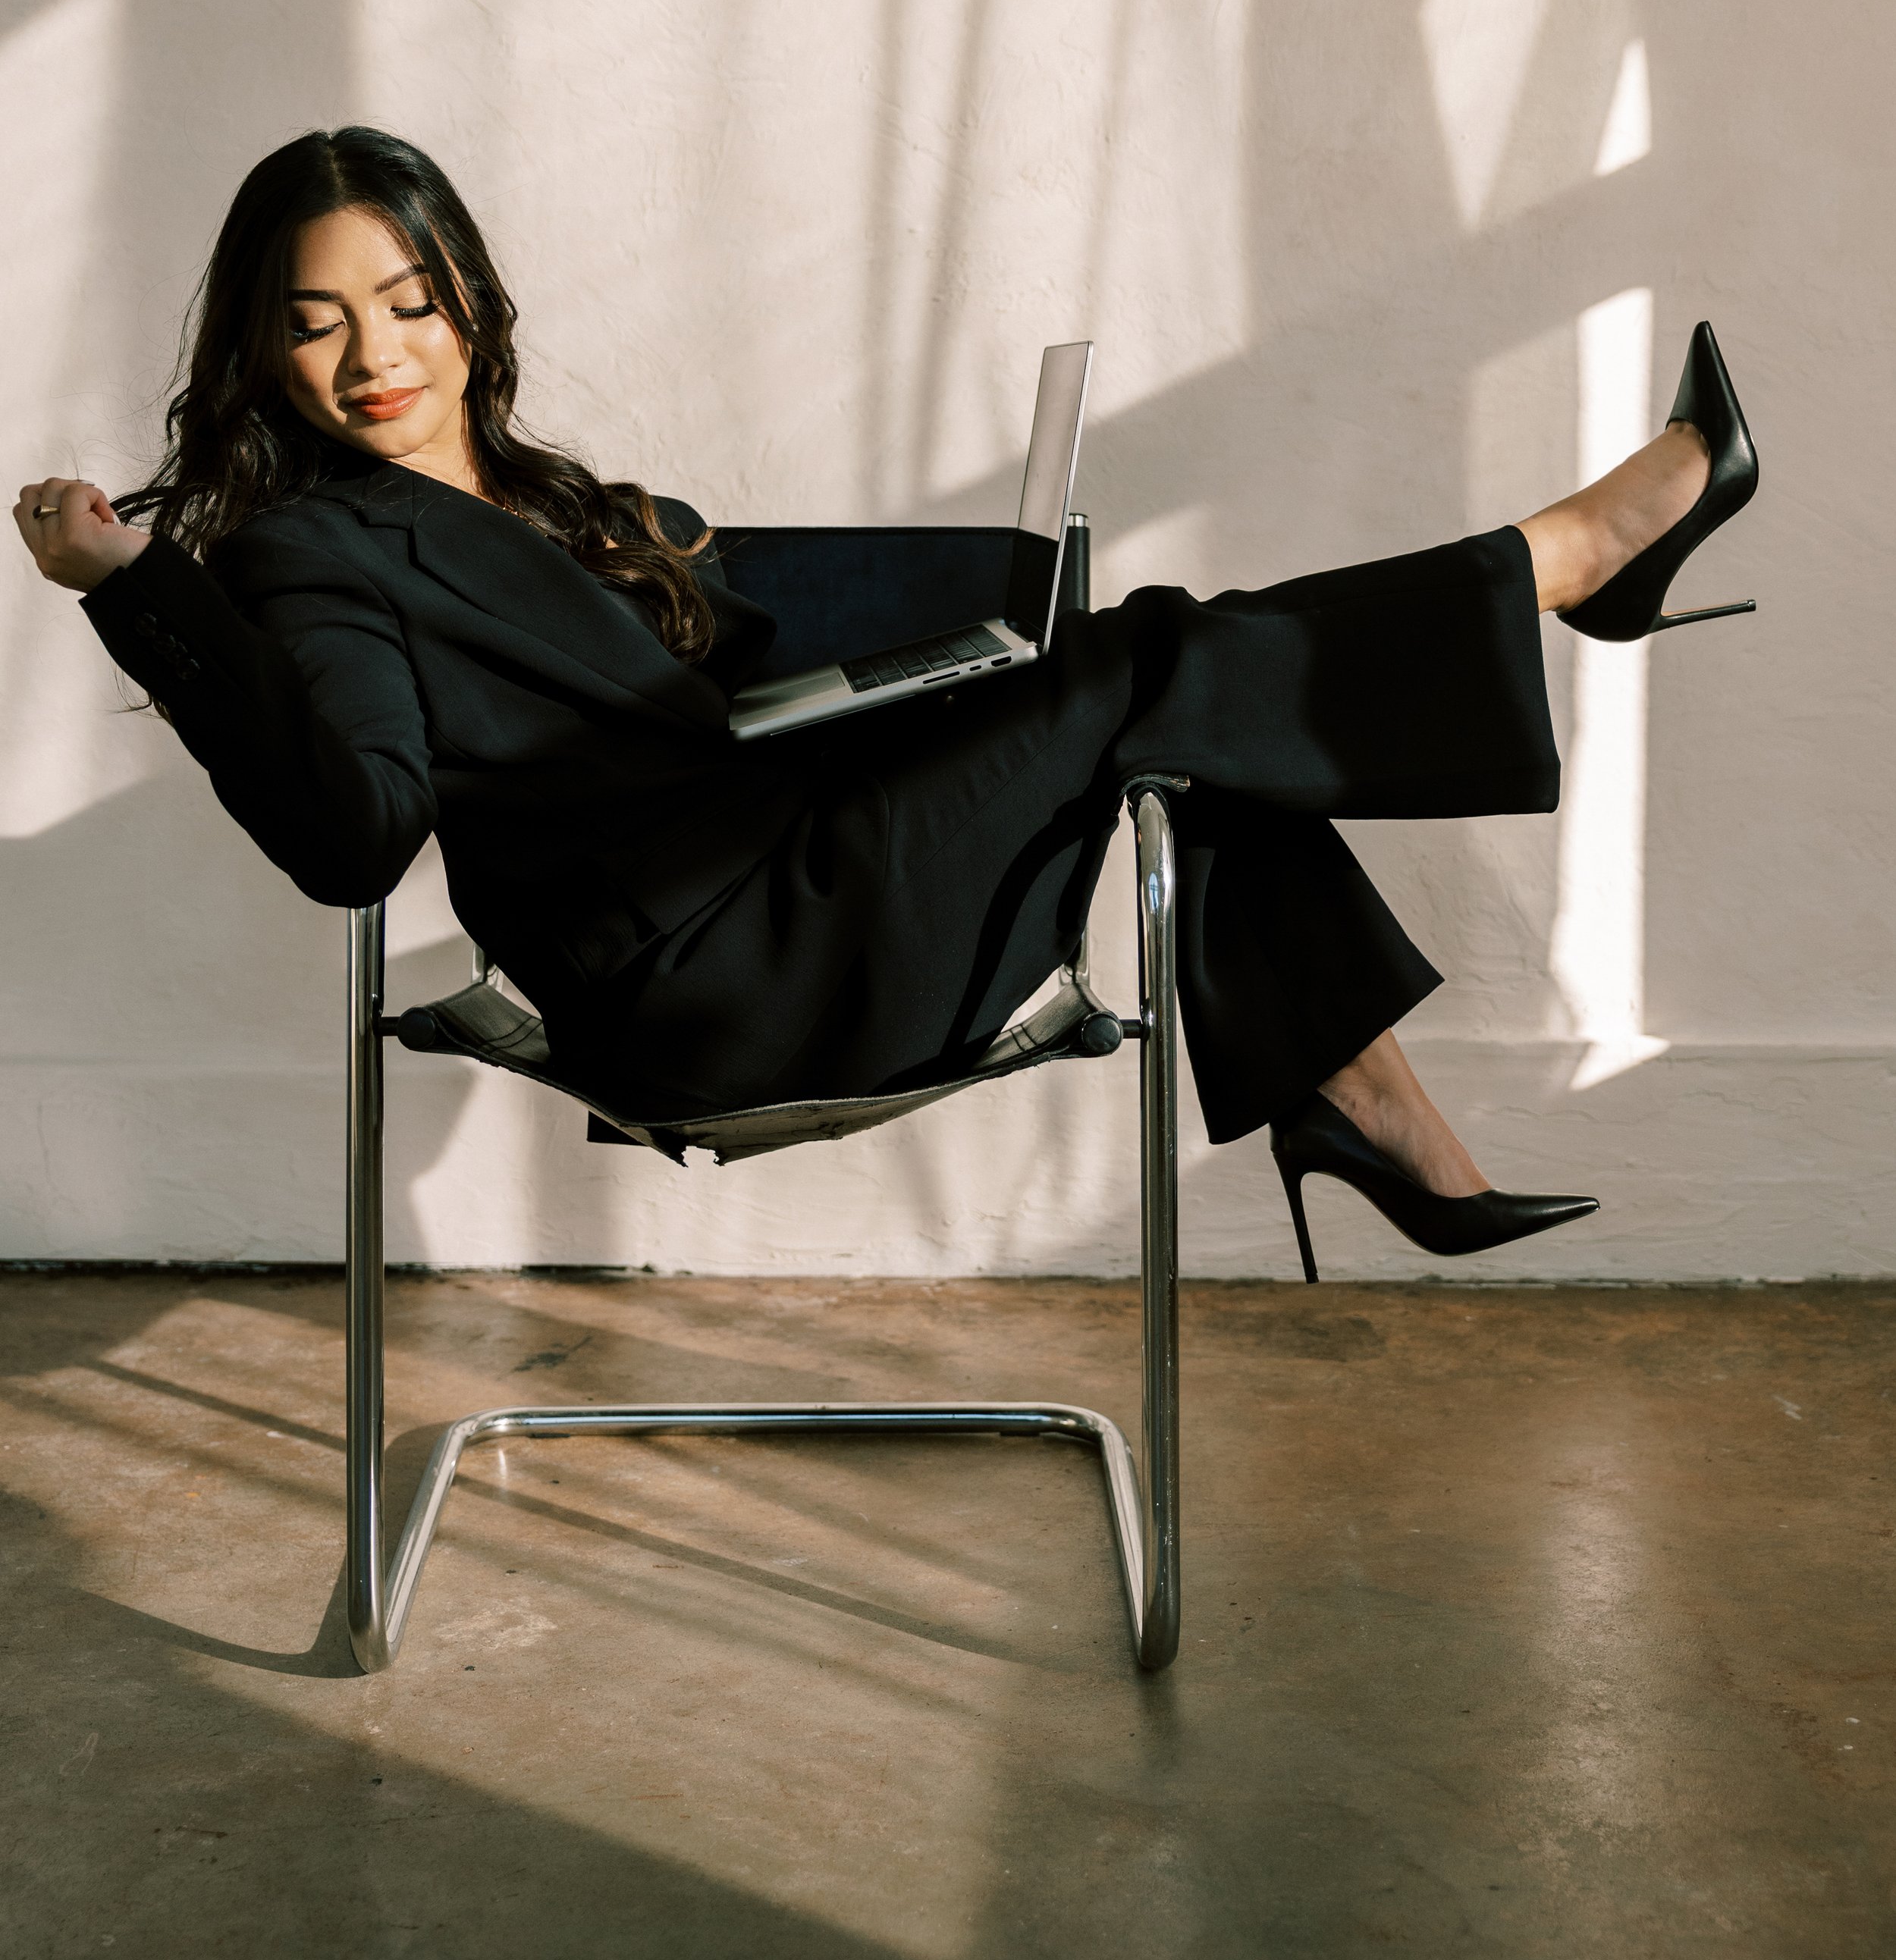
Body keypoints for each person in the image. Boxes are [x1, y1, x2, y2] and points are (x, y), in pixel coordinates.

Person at [13, 129, 1759, 1277]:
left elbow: (707, 688)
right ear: (263, 356)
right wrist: (137, 593)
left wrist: (943, 657)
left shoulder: (534, 498)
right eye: (315, 326)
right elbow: (350, 841)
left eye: (405, 301)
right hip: (707, 982)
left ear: (466, 294)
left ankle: (1355, 1090)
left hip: (779, 882)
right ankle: (1567, 561)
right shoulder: (310, 558)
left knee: (1146, 681)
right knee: (1150, 667)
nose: (374, 356)